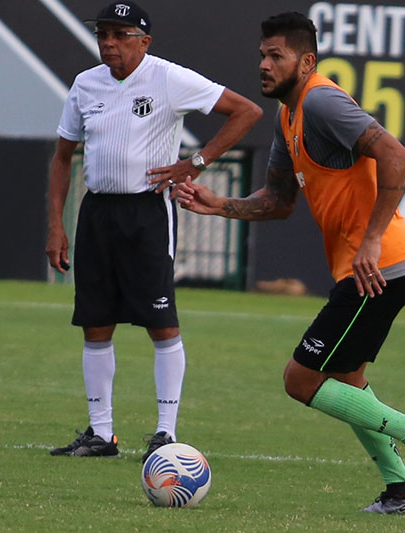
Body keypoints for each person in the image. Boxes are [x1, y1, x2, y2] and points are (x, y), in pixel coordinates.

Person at [176, 12, 405, 515]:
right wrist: (220, 205)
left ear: (306, 61)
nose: (263, 64)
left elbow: (396, 154)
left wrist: (370, 241)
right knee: (346, 380)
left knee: (300, 380)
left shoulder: (320, 100)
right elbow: (279, 201)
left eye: (275, 55)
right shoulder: (289, 114)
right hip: (375, 266)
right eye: (262, 54)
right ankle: (400, 491)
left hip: (378, 266)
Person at [45, 1, 262, 462]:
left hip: (147, 212)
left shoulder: (168, 78)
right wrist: (55, 227)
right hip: (97, 211)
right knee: (95, 322)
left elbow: (245, 112)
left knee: (162, 324)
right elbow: (62, 156)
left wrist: (195, 162)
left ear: (144, 40)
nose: (108, 43)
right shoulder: (86, 84)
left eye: (120, 35)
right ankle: (101, 434)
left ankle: (166, 431)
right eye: (103, 34)